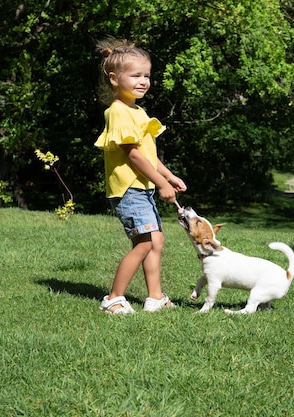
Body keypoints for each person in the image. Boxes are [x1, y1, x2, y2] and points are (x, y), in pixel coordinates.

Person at [94, 38, 187, 314]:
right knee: (145, 242)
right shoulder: (117, 112)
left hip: (142, 188)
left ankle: (155, 297)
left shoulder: (138, 111)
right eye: (135, 75)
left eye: (146, 75)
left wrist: (168, 176)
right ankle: (114, 298)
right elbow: (132, 155)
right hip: (129, 190)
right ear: (114, 79)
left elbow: (147, 154)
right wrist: (161, 184)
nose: (143, 81)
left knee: (155, 240)